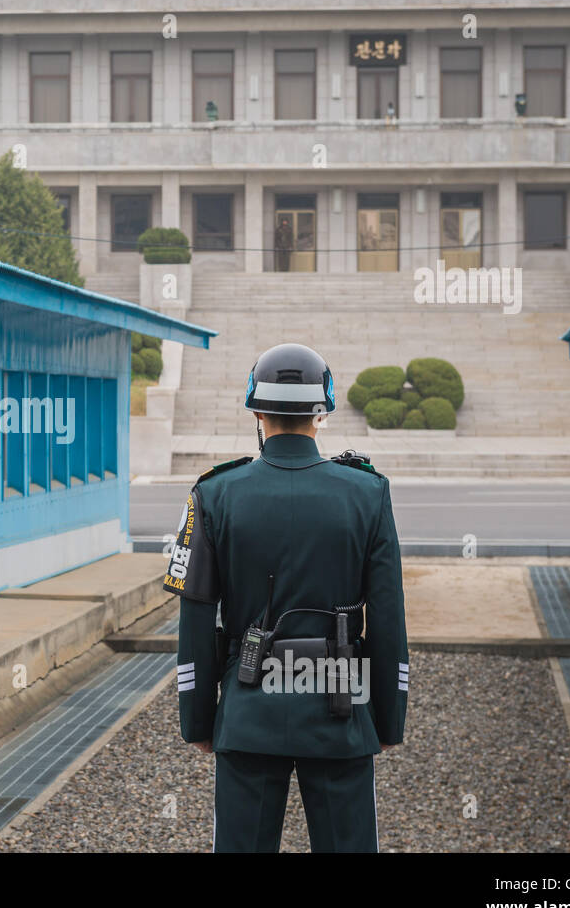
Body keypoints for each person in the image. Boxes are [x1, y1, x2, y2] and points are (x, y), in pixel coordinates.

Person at [164, 344, 408, 852]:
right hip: (341, 704)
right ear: (324, 410)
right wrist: (387, 719)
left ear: (256, 410)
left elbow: (195, 618)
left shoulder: (214, 493)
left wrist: (198, 719)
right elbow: (388, 618)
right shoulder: (368, 493)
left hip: (249, 710)